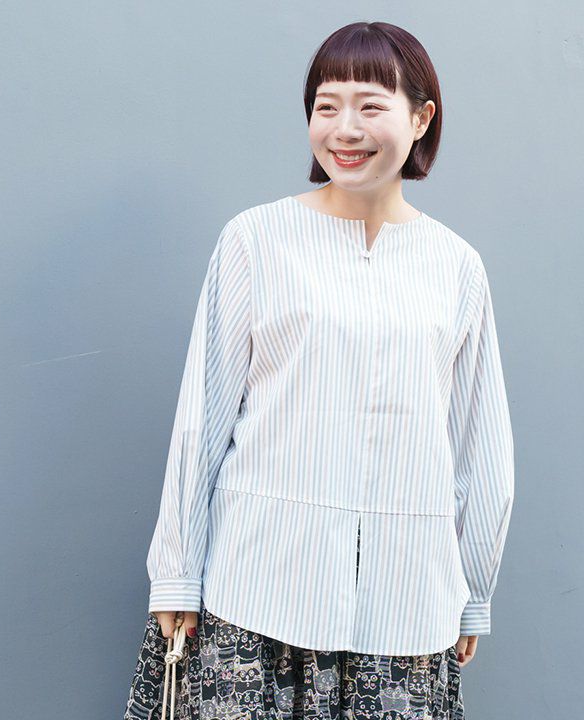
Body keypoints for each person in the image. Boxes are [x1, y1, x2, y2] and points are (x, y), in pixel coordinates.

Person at [125, 20, 514, 720]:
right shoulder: (255, 240)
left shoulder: (457, 267)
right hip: (257, 593)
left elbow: (477, 443)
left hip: (405, 604)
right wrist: (176, 573)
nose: (344, 128)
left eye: (370, 105)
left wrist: (474, 589)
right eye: (326, 105)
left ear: (421, 117)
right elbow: (203, 417)